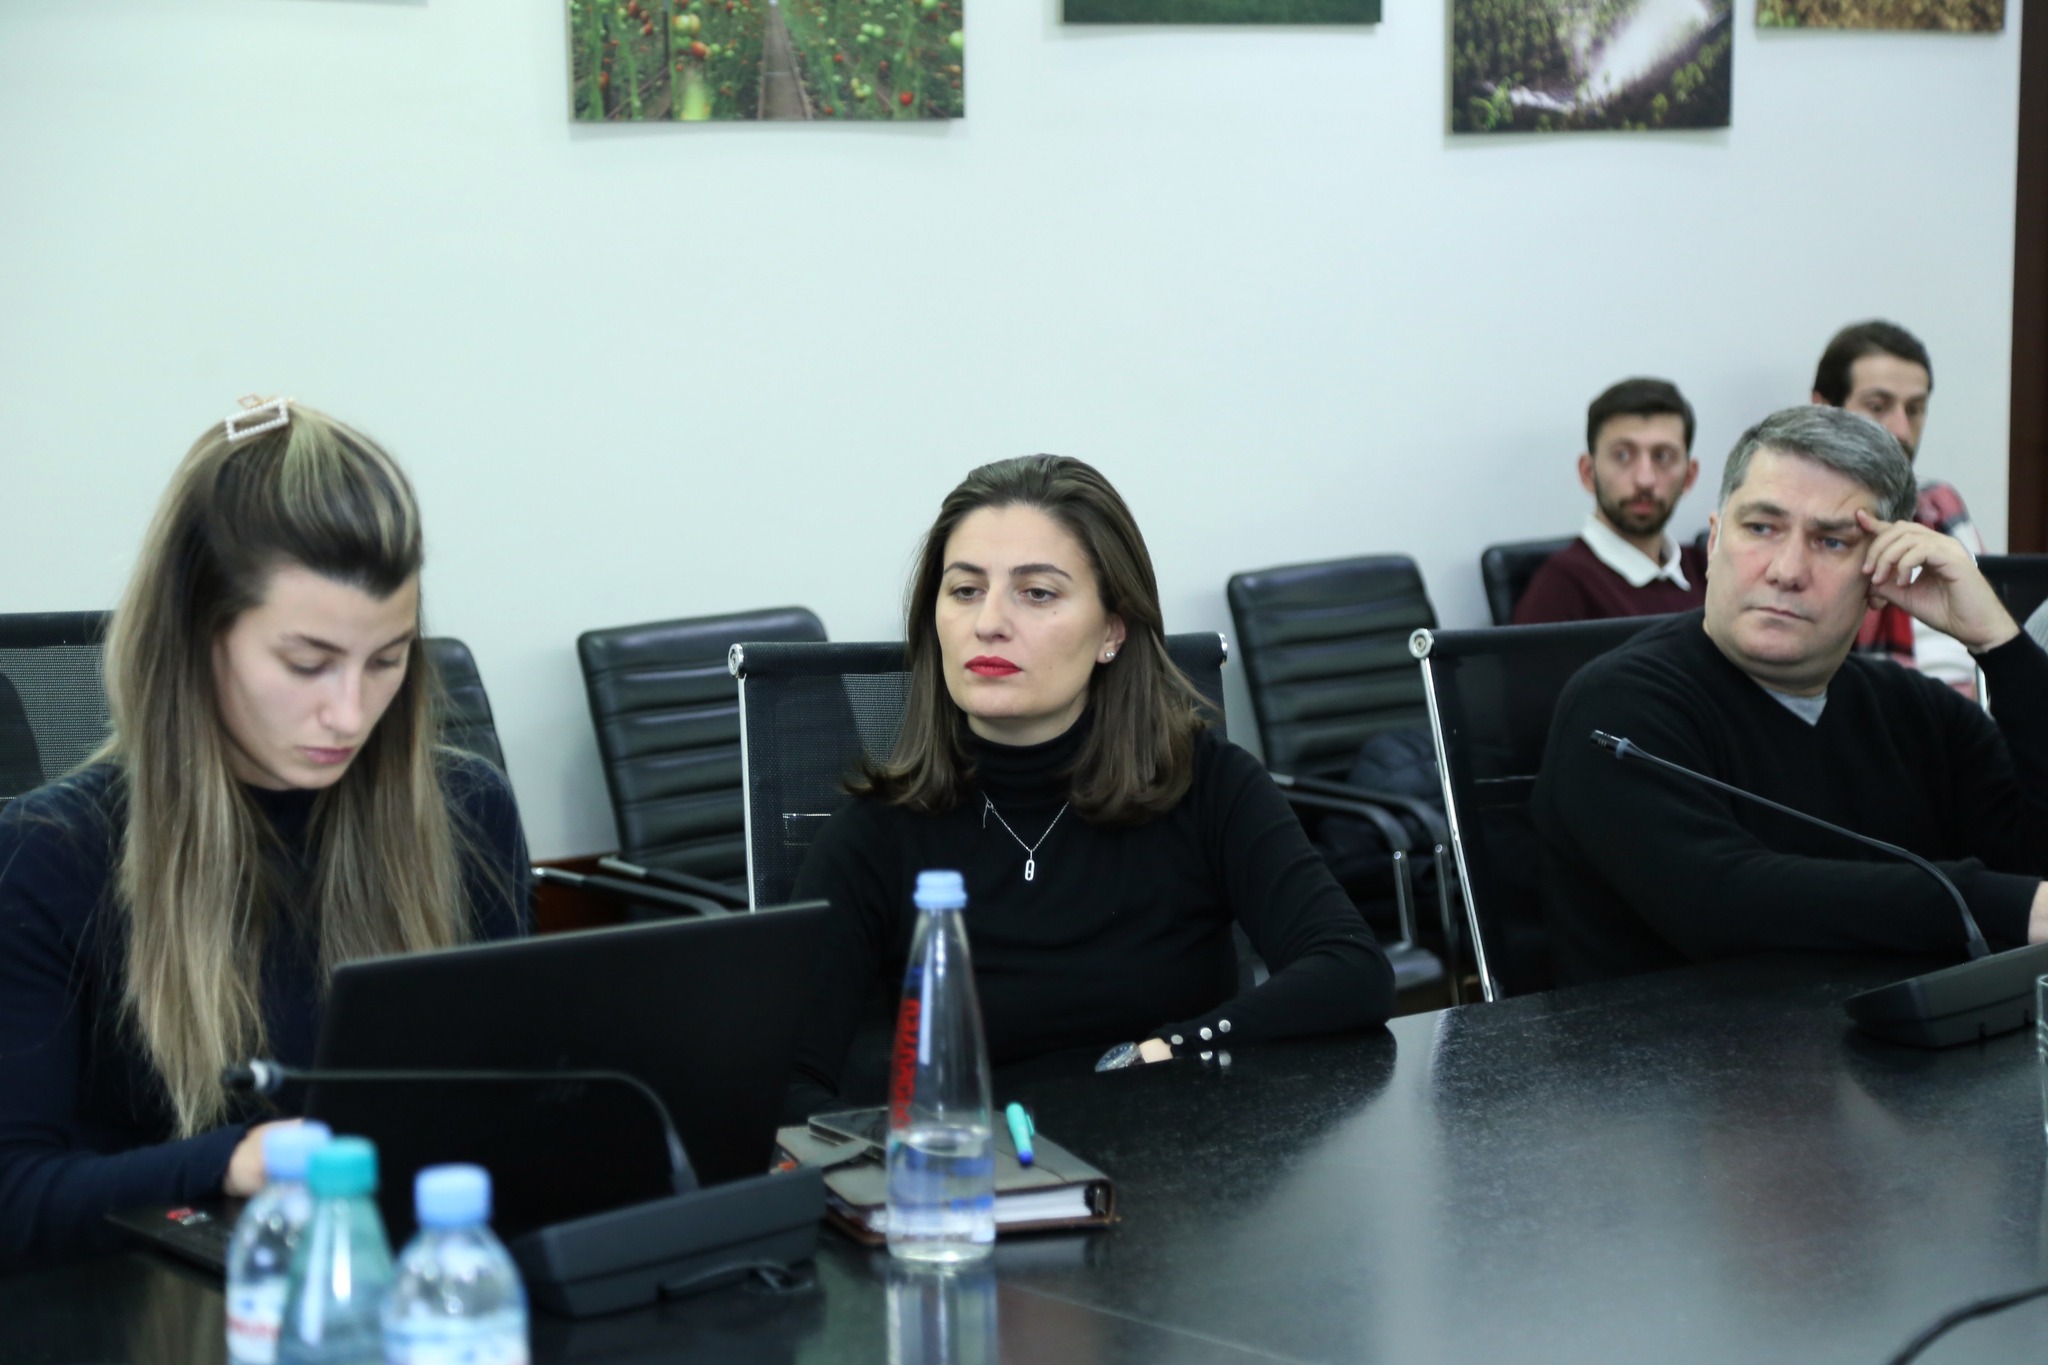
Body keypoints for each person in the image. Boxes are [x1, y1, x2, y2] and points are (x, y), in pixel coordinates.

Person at [0, 399, 531, 1266]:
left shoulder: (467, 809)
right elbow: (14, 1198)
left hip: (409, 1280)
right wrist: (233, 1160)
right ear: (194, 636)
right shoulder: (47, 855)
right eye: (306, 663)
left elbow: (521, 1099)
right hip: (156, 1307)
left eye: (387, 659)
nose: (350, 712)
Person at [785, 455, 1393, 1117]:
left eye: (1037, 593)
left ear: (1111, 630)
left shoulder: (1205, 782)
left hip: (1183, 1157)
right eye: (965, 590)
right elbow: (785, 1082)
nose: (989, 622)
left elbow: (1350, 969)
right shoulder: (876, 832)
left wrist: (1177, 1047)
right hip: (981, 1168)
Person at [1532, 405, 2048, 986]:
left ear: (1881, 576)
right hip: (1678, 1041)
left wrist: (1999, 643)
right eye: (1761, 528)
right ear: (1715, 540)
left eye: (1831, 541)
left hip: (1902, 1035)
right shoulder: (1617, 706)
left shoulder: (1921, 713)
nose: (1787, 569)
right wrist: (1995, 904)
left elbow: (2036, 865)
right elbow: (1720, 900)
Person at [1811, 320, 1982, 692]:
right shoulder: (1801, 520)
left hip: (1975, 716)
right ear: (1823, 408)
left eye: (1915, 409)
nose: (1902, 430)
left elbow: (1990, 629)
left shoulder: (1940, 505)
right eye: (1878, 406)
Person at [1513, 378, 1707, 625]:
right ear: (1588, 473)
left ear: (1689, 477)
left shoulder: (1711, 571)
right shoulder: (1558, 592)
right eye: (1622, 455)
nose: (1645, 480)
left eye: (1662, 456)